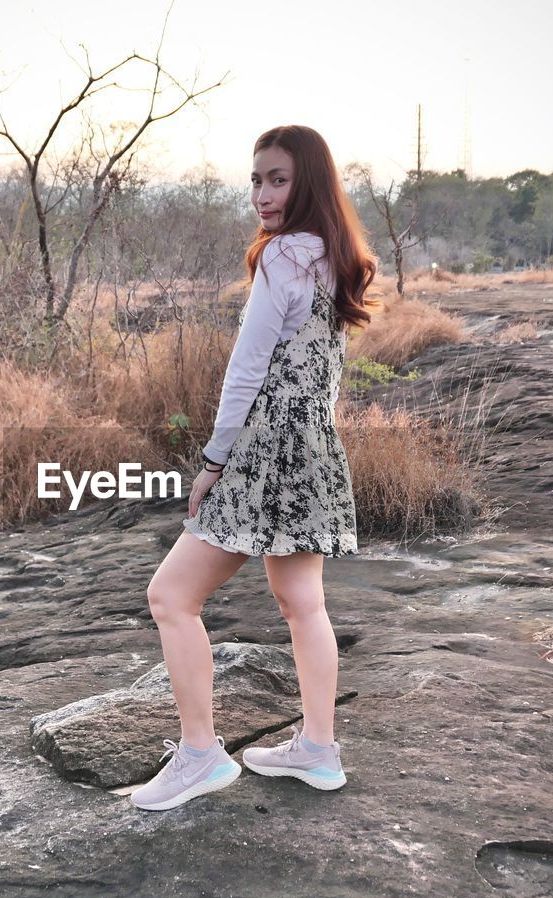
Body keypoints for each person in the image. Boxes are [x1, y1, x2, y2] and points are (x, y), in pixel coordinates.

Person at [131, 125, 378, 811]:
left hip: (265, 448)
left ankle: (201, 754)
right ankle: (319, 750)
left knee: (170, 596)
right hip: (315, 447)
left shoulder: (281, 259)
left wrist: (214, 461)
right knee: (305, 606)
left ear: (309, 185)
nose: (261, 194)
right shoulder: (336, 257)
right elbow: (326, 375)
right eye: (257, 179)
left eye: (277, 179)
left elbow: (246, 372)